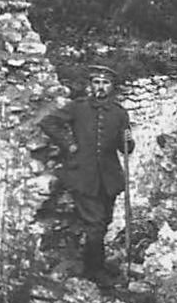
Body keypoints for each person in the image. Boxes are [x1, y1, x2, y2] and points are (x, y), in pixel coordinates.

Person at [40, 65, 135, 286]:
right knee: (95, 223)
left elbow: (126, 149)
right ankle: (94, 271)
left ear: (112, 87)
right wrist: (70, 145)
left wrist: (129, 140)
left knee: (104, 221)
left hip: (109, 178)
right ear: (90, 85)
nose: (101, 87)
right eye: (96, 82)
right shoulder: (78, 107)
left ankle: (96, 262)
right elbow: (48, 123)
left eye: (105, 83)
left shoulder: (119, 113)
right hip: (83, 175)